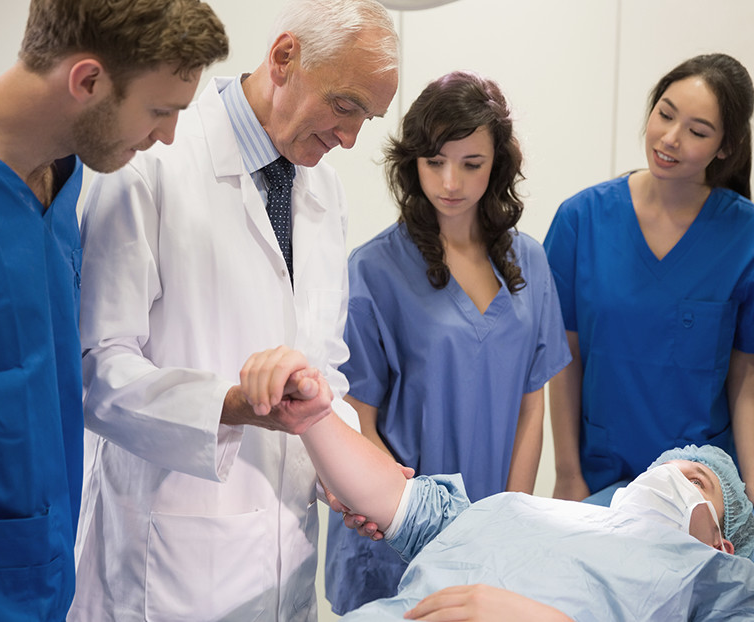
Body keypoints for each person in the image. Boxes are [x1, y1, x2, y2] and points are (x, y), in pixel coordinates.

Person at [68, 1, 399, 620]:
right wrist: (231, 407)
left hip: (286, 559)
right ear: (284, 58)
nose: (351, 137)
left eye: (367, 119)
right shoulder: (151, 160)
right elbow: (95, 371)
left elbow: (322, 367)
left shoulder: (323, 187)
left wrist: (347, 469)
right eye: (346, 105)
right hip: (168, 568)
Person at [0, 1, 228, 620]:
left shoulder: (65, 176)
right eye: (161, 111)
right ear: (88, 81)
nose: (168, 137)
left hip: (44, 576)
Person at [325, 70, 572, 613]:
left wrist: (508, 521)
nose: (450, 182)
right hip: (395, 538)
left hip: (494, 533)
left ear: (497, 165)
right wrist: (416, 523)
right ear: (413, 162)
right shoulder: (373, 270)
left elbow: (533, 406)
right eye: (434, 161)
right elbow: (356, 421)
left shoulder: (529, 262)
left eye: (471, 164)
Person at [282, 381, 754, 620]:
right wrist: (311, 415)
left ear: (721, 544)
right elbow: (393, 497)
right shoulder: (518, 511)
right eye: (669, 470)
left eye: (698, 484)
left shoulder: (714, 583)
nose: (675, 478)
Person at [543, 53, 754, 505]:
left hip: (701, 492)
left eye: (697, 132)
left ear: (726, 147)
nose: (670, 139)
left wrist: (750, 490)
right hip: (603, 475)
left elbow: (745, 377)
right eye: (665, 114)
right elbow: (563, 362)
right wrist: (566, 474)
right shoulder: (581, 220)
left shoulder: (745, 237)